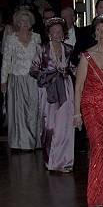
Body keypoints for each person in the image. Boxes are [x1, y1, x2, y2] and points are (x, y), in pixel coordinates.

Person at [73, 15, 103, 207]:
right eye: (99, 31)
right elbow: (78, 86)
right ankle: (99, 196)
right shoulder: (87, 56)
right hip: (92, 106)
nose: (102, 34)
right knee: (99, 147)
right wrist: (77, 113)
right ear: (94, 33)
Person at [29, 17, 76, 172]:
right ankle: (50, 160)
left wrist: (69, 70)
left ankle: (65, 162)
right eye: (53, 31)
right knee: (49, 125)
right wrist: (48, 74)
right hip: (48, 89)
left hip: (66, 88)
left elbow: (74, 69)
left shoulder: (69, 49)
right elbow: (33, 70)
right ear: (49, 33)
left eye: (59, 31)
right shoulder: (42, 48)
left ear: (63, 33)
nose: (56, 34)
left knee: (65, 125)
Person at [1, 8, 41, 150]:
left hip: (33, 79)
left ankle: (34, 141)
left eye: (27, 20)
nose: (24, 23)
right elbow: (6, 60)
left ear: (31, 23)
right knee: (19, 112)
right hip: (16, 79)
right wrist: (3, 80)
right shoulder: (11, 38)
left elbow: (40, 59)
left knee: (33, 109)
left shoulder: (36, 37)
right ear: (17, 22)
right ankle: (21, 143)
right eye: (21, 21)